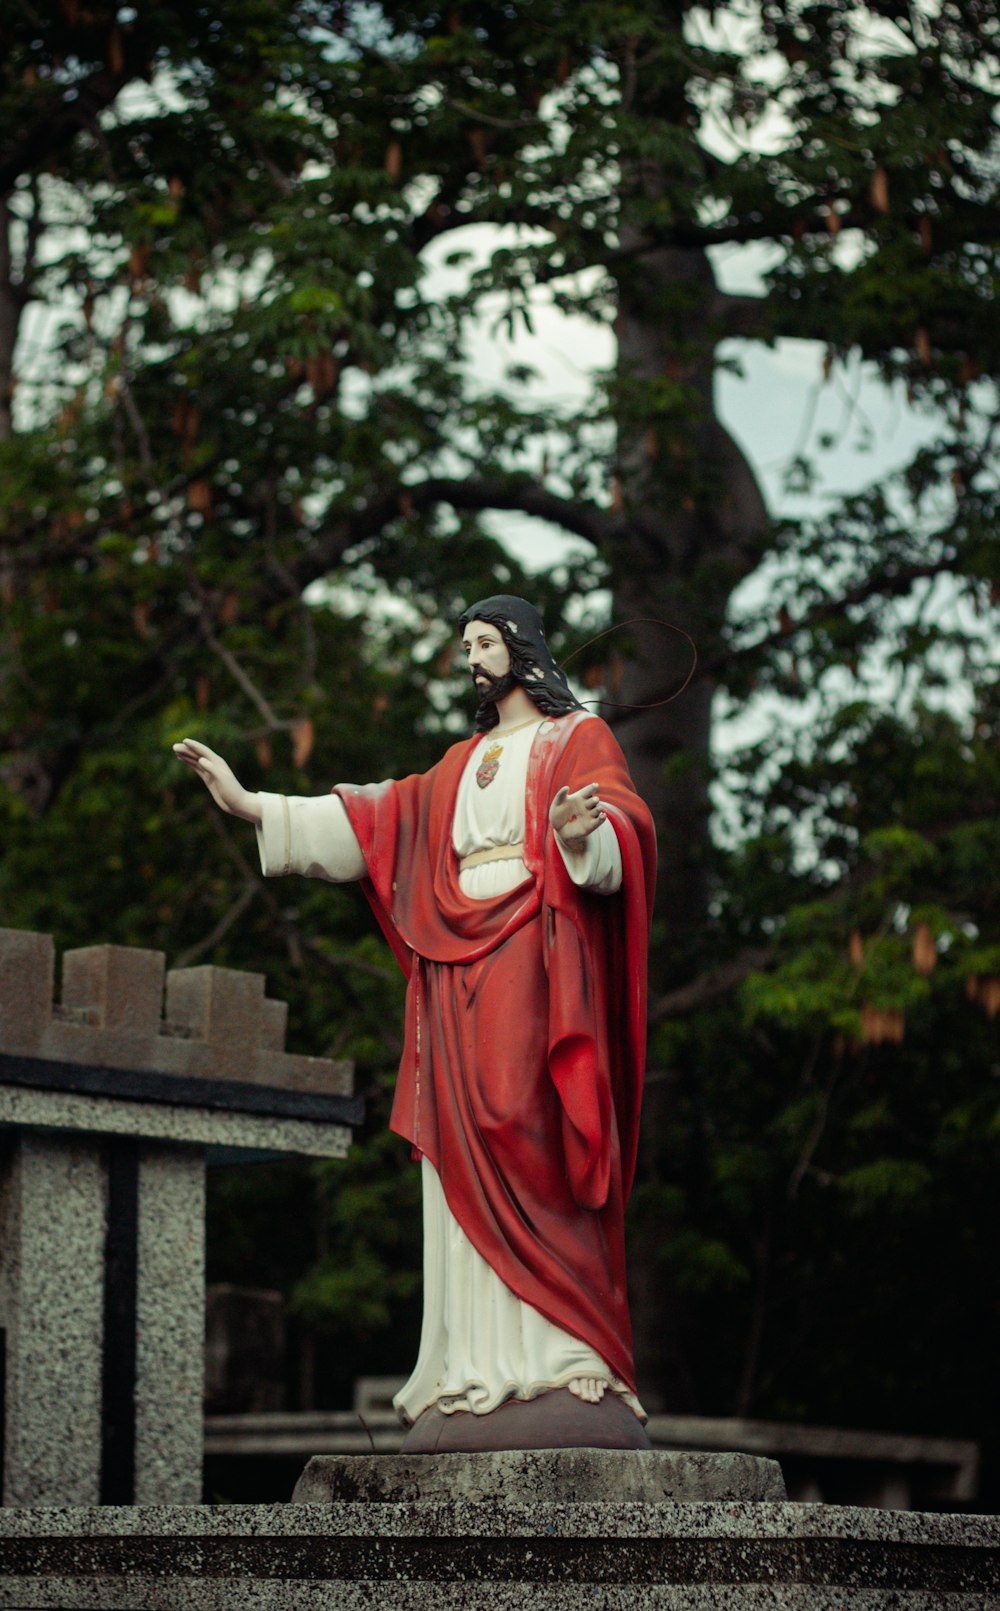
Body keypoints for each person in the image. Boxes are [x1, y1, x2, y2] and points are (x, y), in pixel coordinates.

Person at [174, 595, 656, 1451]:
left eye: (485, 641)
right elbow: (374, 820)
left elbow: (619, 825)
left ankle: (565, 1350)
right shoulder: (457, 763)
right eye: (465, 643)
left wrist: (587, 836)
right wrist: (254, 804)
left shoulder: (574, 737)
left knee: (531, 1124)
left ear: (521, 648)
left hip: (538, 960)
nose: (472, 656)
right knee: (459, 1151)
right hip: (456, 973)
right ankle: (473, 1370)